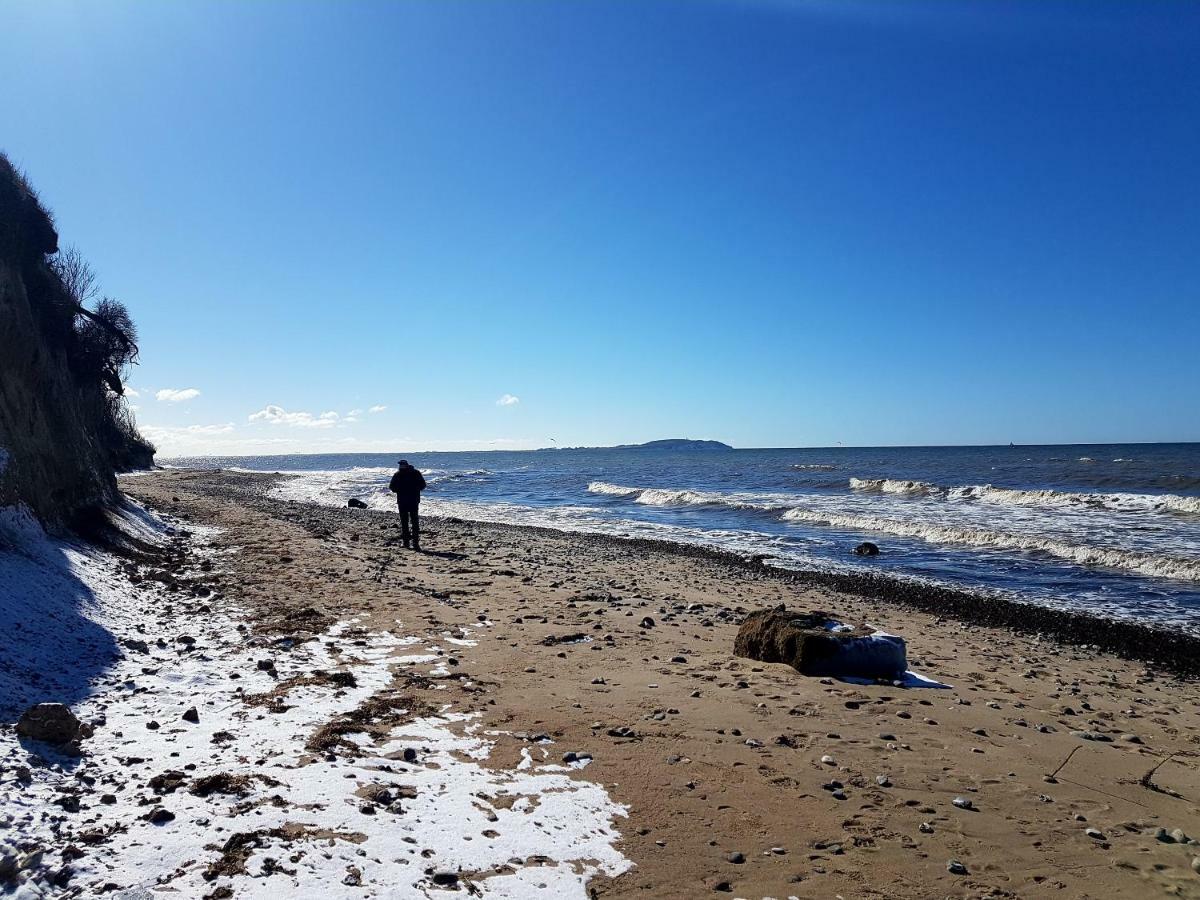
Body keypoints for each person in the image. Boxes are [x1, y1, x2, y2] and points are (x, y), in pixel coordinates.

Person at [388, 459, 427, 549]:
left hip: (405, 501)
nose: (400, 466)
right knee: (410, 522)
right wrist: (415, 489)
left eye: (402, 465)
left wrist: (400, 490)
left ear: (406, 465)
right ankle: (411, 543)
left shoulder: (399, 474)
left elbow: (392, 487)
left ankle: (411, 543)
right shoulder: (414, 473)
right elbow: (423, 485)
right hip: (411, 500)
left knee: (409, 522)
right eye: (400, 465)